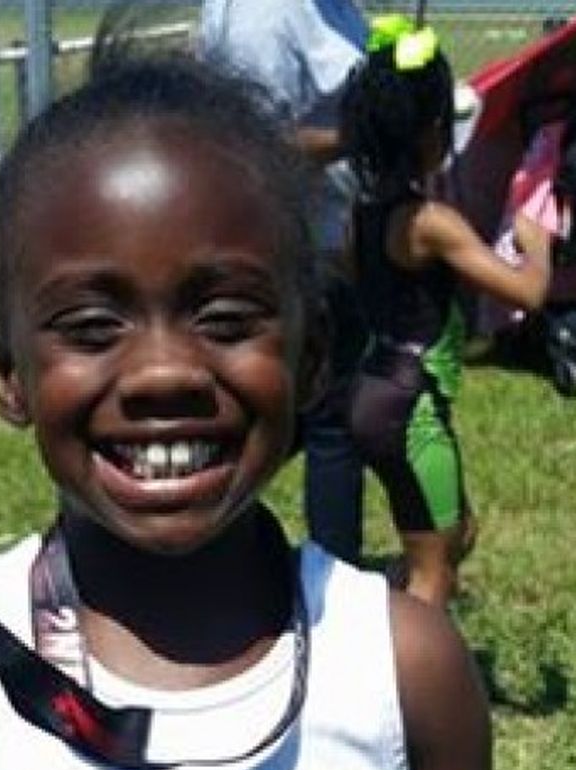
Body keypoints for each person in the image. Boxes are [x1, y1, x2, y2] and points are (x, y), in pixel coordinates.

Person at [0, 15, 510, 770]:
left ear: (314, 356)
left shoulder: (403, 668)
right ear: (9, 374)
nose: (164, 372)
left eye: (226, 317)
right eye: (93, 326)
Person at [339, 16, 553, 607]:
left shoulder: (363, 212)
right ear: (432, 132)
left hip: (372, 390)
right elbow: (526, 294)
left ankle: (381, 614)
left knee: (457, 533)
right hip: (412, 407)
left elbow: (353, 277)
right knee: (434, 574)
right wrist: (535, 244)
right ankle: (407, 659)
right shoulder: (430, 223)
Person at [199, 0, 370, 564]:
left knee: (314, 413)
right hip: (294, 247)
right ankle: (334, 573)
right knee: (333, 421)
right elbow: (251, 145)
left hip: (339, 240)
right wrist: (363, 134)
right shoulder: (263, 15)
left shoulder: (334, 8)